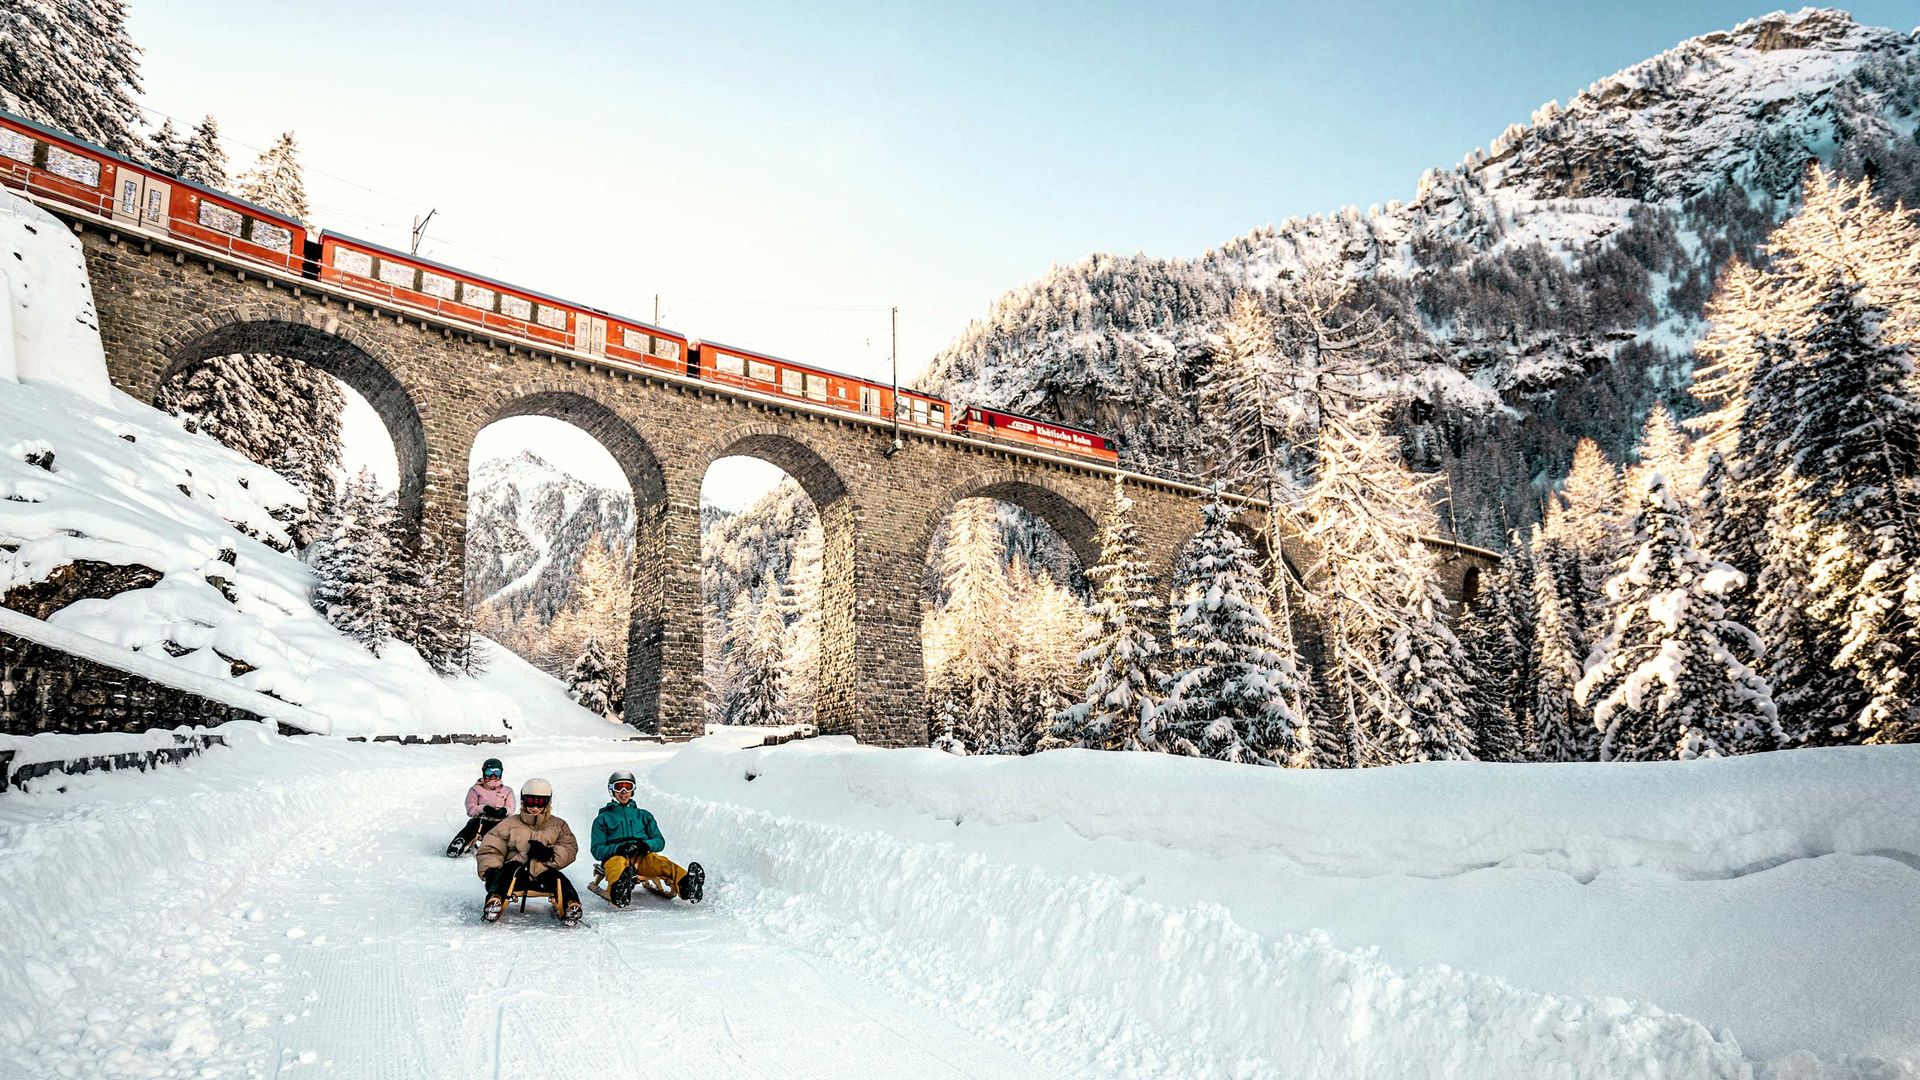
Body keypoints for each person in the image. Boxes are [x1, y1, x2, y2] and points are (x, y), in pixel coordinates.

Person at [475, 777, 583, 924]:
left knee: (559, 879)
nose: (535, 807)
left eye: (540, 802)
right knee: (506, 873)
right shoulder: (510, 824)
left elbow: (569, 847)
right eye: (531, 802)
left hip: (543, 871)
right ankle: (495, 899)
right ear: (523, 801)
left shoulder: (558, 825)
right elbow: (491, 847)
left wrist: (550, 854)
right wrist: (491, 870)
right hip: (516, 873)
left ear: (548, 803)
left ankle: (571, 904)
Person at [590, 769, 704, 906]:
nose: (624, 792)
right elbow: (597, 849)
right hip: (616, 856)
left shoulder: (644, 816)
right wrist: (618, 848)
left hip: (641, 856)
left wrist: (646, 845)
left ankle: (687, 885)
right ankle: (619, 890)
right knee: (617, 866)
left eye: (628, 787)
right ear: (612, 790)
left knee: (660, 862)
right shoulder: (602, 819)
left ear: (633, 790)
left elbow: (659, 841)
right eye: (619, 787)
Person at [446, 757, 515, 857]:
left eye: (497, 772)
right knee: (472, 825)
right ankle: (458, 843)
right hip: (482, 821)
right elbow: (470, 809)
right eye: (489, 772)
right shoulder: (475, 790)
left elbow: (511, 808)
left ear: (501, 773)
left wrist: (504, 810)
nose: (493, 776)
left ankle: (512, 848)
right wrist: (483, 808)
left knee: (510, 828)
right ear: (483, 773)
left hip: (500, 822)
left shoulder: (507, 791)